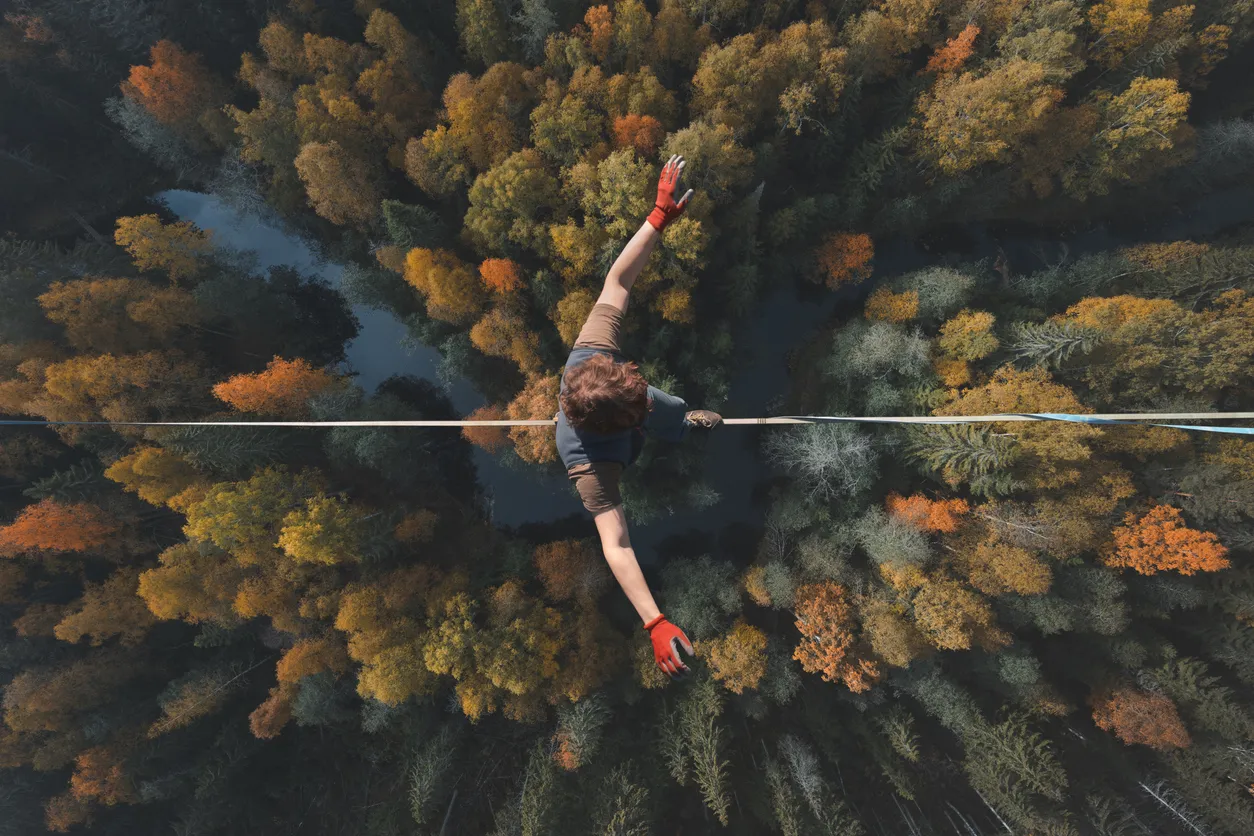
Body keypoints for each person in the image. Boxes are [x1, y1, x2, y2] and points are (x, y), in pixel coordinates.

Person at [556, 155, 723, 680]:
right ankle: (669, 426)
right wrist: (654, 622)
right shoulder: (591, 469)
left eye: (637, 387)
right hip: (613, 446)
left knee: (669, 408)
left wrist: (656, 218)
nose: (643, 394)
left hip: (612, 414)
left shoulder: (590, 358)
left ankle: (680, 422)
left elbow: (618, 282)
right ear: (622, 425)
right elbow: (617, 546)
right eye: (639, 407)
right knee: (659, 413)